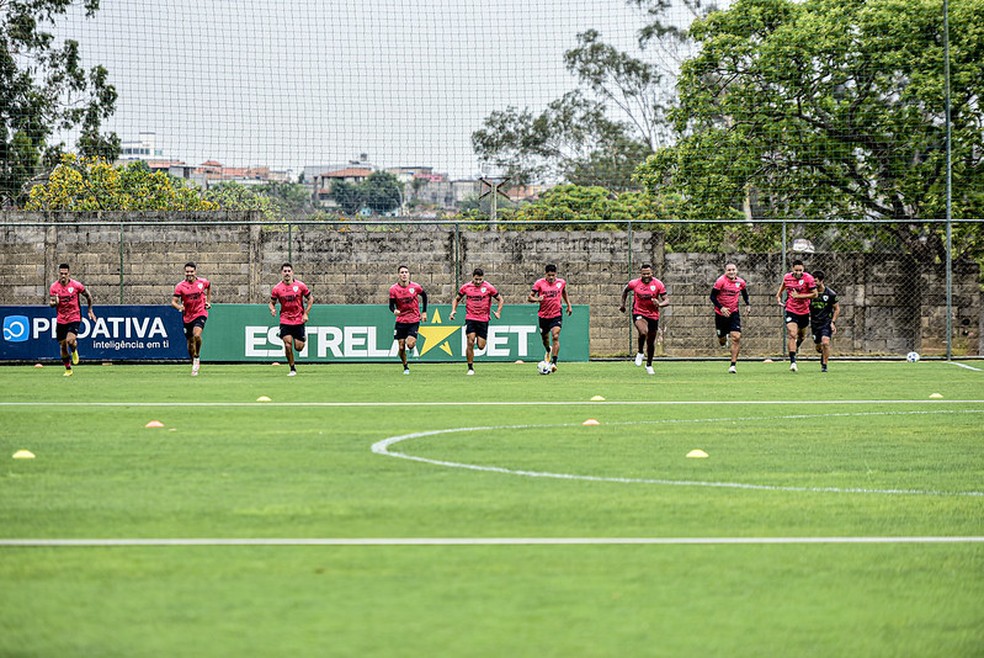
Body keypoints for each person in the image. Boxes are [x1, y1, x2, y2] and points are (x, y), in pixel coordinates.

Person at [449, 267, 503, 375]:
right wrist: (453, 310)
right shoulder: (466, 287)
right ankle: (470, 367)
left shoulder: (489, 287)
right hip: (471, 318)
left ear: (483, 278)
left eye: (480, 280)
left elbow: (500, 299)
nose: (478, 282)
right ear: (473, 277)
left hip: (483, 319)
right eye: (476, 279)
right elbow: (456, 299)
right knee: (470, 341)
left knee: (481, 346)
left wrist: (498, 312)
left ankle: (479, 344)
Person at [48, 263, 96, 377]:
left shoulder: (76, 285)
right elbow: (51, 303)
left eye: (65, 273)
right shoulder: (54, 287)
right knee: (63, 345)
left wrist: (90, 310)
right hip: (61, 319)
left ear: (69, 274)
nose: (63, 276)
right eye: (61, 273)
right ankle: (68, 369)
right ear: (58, 274)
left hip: (74, 316)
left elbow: (88, 296)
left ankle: (74, 350)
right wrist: (54, 303)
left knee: (70, 340)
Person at [619, 263, 669, 375]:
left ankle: (649, 365)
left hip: (653, 315)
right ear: (640, 274)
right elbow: (625, 291)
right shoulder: (634, 283)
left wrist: (659, 304)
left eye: (648, 273)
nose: (646, 275)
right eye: (644, 274)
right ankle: (640, 352)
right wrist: (623, 305)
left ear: (652, 273)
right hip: (638, 311)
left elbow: (667, 300)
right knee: (643, 332)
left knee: (651, 342)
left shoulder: (658, 284)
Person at [269, 262, 313, 377]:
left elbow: (310, 299)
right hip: (285, 320)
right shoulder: (277, 288)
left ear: (292, 272)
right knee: (287, 344)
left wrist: (306, 313)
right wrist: (272, 309)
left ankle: (303, 338)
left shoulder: (300, 286)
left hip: (298, 319)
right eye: (285, 271)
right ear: (281, 273)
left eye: (289, 271)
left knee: (298, 347)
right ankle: (292, 368)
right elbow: (271, 302)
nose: (287, 273)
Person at [527, 263, 572, 372]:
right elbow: (529, 297)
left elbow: (564, 292)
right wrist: (538, 299)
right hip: (543, 315)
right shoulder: (539, 283)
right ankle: (548, 350)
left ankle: (554, 363)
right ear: (545, 274)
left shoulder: (561, 283)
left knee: (555, 336)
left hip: (556, 314)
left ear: (556, 274)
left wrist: (569, 305)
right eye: (549, 275)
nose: (551, 277)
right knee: (545, 339)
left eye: (553, 275)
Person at [775, 259, 817, 372]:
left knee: (801, 336)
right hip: (791, 309)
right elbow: (783, 286)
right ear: (792, 269)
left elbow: (815, 294)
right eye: (796, 270)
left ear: (803, 269)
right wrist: (778, 296)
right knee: (792, 334)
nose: (798, 272)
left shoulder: (808, 278)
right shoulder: (787, 277)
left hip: (804, 311)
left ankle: (796, 346)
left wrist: (799, 296)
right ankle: (793, 362)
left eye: (800, 270)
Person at [171, 262, 212, 376]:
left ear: (195, 272)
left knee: (197, 335)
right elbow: (173, 302)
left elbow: (209, 286)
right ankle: (193, 361)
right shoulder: (180, 286)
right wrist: (179, 307)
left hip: (200, 312)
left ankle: (197, 357)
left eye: (191, 271)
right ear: (184, 272)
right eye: (187, 271)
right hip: (187, 316)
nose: (189, 274)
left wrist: (208, 301)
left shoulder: (202, 282)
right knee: (189, 344)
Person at [710, 262, 749, 374]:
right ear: (725, 271)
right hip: (720, 314)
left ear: (736, 270)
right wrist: (721, 308)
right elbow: (712, 296)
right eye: (729, 270)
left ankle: (733, 365)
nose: (731, 272)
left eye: (733, 270)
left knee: (736, 337)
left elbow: (745, 293)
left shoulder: (740, 282)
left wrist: (748, 304)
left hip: (733, 313)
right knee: (721, 340)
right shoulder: (720, 281)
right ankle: (723, 339)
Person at [389, 265, 428, 375]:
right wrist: (394, 311)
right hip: (401, 321)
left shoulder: (415, 287)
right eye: (402, 272)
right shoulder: (393, 289)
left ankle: (411, 347)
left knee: (410, 344)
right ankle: (405, 366)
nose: (404, 274)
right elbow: (391, 305)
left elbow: (424, 296)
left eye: (406, 272)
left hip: (414, 319)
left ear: (409, 274)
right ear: (399, 275)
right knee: (401, 347)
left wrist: (424, 312)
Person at [809, 270, 840, 373]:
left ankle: (824, 365)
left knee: (825, 343)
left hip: (826, 322)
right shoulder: (810, 294)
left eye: (815, 281)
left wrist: (833, 322)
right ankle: (822, 353)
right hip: (814, 323)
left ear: (822, 281)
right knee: (819, 346)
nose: (813, 283)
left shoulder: (830, 294)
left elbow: (837, 309)